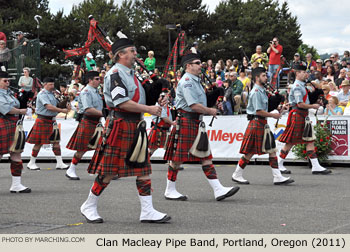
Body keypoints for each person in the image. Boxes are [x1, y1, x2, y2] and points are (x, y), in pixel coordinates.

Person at [81, 38, 171, 224]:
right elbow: (121, 102)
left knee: (143, 168)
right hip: (120, 124)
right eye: (132, 50)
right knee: (108, 172)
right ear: (121, 54)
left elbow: (139, 98)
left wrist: (156, 98)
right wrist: (149, 109)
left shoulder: (131, 74)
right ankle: (89, 205)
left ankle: (147, 211)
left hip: (135, 126)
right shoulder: (115, 74)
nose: (136, 54)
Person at [163, 53, 240, 202]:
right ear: (188, 66)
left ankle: (218, 189)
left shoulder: (196, 81)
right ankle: (169, 190)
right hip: (186, 121)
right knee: (177, 159)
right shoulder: (187, 82)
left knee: (205, 156)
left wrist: (212, 101)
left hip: (195, 122)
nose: (201, 65)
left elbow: (200, 101)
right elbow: (193, 105)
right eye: (197, 63)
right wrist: (210, 110)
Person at [232, 67, 294, 185]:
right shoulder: (256, 92)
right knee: (249, 152)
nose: (266, 78)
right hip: (256, 123)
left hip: (262, 123)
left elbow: (265, 109)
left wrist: (280, 109)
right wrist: (273, 115)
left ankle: (277, 176)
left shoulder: (261, 91)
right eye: (264, 75)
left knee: (271, 150)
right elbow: (259, 111)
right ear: (257, 77)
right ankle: (237, 174)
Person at [277, 63, 331, 175]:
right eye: (303, 72)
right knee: (290, 141)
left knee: (309, 140)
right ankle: (278, 164)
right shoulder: (297, 86)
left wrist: (315, 100)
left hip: (302, 115)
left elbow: (305, 101)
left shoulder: (302, 85)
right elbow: (300, 104)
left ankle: (315, 166)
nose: (306, 74)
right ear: (297, 73)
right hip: (297, 114)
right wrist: (313, 106)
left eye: (306, 72)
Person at [65, 71, 103, 180]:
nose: (99, 80)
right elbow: (88, 109)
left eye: (99, 78)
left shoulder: (95, 91)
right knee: (82, 149)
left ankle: (102, 170)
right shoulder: (86, 92)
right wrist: (105, 114)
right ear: (90, 80)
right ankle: (71, 169)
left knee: (103, 146)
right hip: (88, 122)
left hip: (96, 123)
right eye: (97, 79)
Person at [26, 77, 70, 170]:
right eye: (50, 84)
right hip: (43, 120)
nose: (52, 86)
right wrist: (62, 110)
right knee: (38, 143)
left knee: (56, 142)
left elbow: (56, 105)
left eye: (53, 84)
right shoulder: (42, 94)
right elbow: (49, 107)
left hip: (52, 120)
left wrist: (65, 104)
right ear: (44, 84)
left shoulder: (53, 94)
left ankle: (60, 163)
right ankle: (31, 162)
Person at [0, 71, 31, 193]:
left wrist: (24, 102)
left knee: (16, 153)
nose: (8, 83)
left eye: (8, 81)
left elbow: (16, 106)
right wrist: (23, 111)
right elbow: (6, 109)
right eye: (5, 81)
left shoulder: (9, 93)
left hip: (14, 124)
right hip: (2, 123)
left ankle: (16, 185)